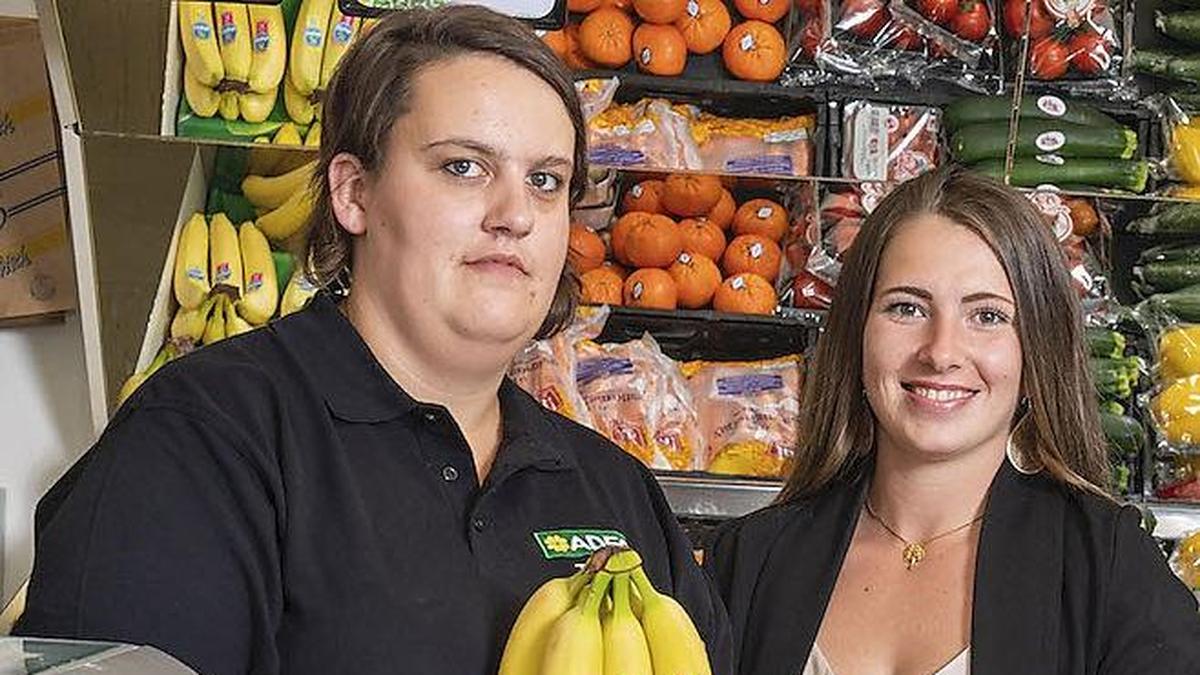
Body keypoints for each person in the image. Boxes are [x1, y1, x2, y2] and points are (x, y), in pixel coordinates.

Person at [15, 7, 731, 674]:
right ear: (353, 193)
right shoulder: (203, 440)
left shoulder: (614, 490)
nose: (515, 212)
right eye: (464, 167)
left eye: (547, 180)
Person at [705, 165, 1200, 675]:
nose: (941, 353)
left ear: (1037, 351)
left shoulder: (1108, 567)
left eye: (987, 316)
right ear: (857, 333)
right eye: (906, 309)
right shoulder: (751, 560)